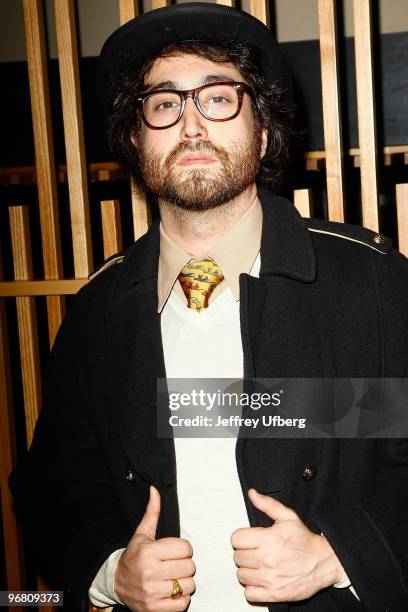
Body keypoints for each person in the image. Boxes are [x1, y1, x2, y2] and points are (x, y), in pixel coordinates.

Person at [9, 3, 408, 612]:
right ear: (137, 140)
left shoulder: (370, 285)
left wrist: (344, 555)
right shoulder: (98, 310)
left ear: (264, 129)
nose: (191, 124)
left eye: (218, 98)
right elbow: (55, 484)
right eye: (165, 104)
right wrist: (109, 570)